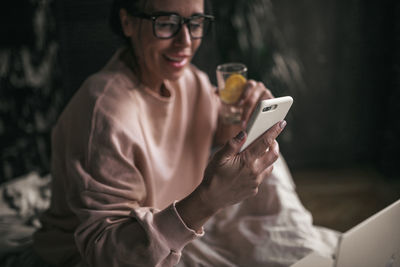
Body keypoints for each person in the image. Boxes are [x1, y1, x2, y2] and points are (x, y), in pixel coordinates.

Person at [32, 0, 338, 266]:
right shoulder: (104, 114)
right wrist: (207, 201)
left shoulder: (189, 80)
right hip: (112, 256)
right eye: (166, 23)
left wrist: (246, 115)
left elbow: (216, 132)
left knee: (273, 170)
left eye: (196, 23)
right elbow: (108, 254)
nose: (186, 41)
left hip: (173, 230)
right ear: (127, 22)